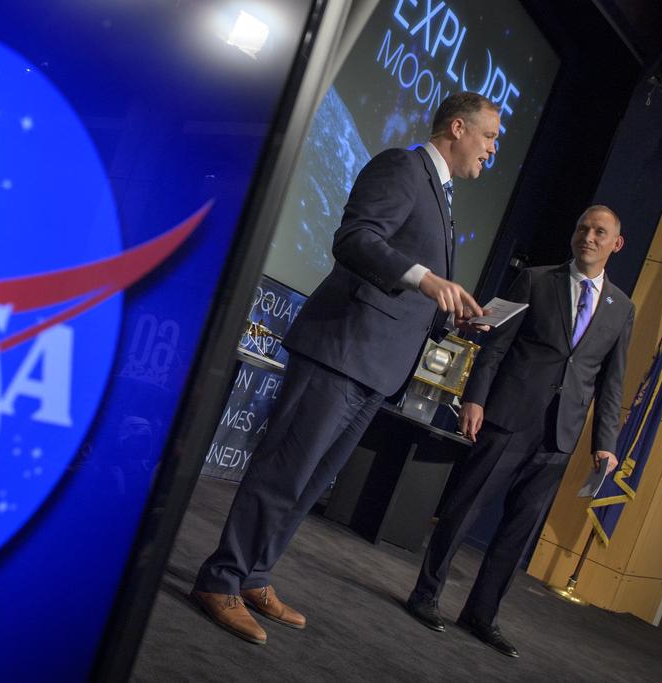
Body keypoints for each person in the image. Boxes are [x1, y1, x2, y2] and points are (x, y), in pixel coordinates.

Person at [190, 91, 498, 645]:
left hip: (377, 366)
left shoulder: (445, 198)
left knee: (308, 484)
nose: (492, 150)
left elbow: (414, 292)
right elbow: (354, 240)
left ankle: (256, 574)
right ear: (458, 127)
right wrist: (426, 279)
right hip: (342, 348)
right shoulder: (403, 167)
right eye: (489, 137)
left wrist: (452, 319)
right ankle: (221, 578)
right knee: (284, 471)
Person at [405, 205, 635, 659]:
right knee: (464, 509)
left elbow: (612, 382)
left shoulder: (622, 308)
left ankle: (481, 615)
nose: (588, 236)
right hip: (508, 419)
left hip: (559, 437)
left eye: (599, 231)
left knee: (518, 533)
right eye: (582, 227)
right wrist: (475, 398)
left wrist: (605, 446)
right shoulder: (535, 279)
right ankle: (425, 596)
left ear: (616, 244)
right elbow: (495, 345)